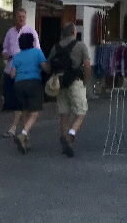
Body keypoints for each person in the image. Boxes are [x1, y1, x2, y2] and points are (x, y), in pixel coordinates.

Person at [47, 23, 90, 156]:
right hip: (75, 81)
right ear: (73, 32)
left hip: (60, 82)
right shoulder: (81, 46)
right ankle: (71, 133)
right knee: (81, 111)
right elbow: (87, 66)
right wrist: (86, 81)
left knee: (64, 113)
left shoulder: (55, 47)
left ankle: (65, 139)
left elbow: (49, 67)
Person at [1, 8, 40, 139]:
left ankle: (15, 129)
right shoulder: (10, 32)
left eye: (23, 16)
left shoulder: (31, 31)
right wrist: (6, 54)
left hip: (24, 72)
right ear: (15, 18)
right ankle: (24, 132)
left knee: (20, 101)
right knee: (16, 101)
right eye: (19, 16)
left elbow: (37, 50)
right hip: (10, 70)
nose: (21, 19)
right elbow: (5, 49)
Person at [7, 32, 47, 154]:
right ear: (32, 42)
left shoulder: (17, 56)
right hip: (33, 83)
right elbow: (45, 67)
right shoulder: (37, 53)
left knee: (24, 111)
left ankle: (26, 140)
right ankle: (23, 134)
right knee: (34, 113)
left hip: (19, 84)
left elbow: (12, 74)